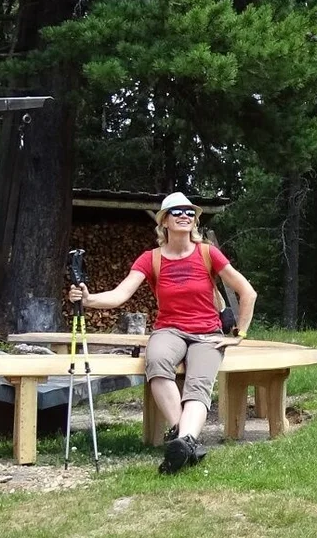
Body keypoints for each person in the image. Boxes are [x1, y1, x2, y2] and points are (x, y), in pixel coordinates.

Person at [67, 192, 258, 474]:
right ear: (164, 221)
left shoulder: (208, 253)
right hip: (168, 330)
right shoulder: (151, 258)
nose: (185, 216)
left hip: (207, 333)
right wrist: (88, 299)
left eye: (190, 212)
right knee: (156, 362)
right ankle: (185, 440)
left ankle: (181, 441)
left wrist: (238, 334)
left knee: (199, 382)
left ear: (195, 221)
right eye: (177, 212)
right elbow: (121, 295)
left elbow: (247, 292)